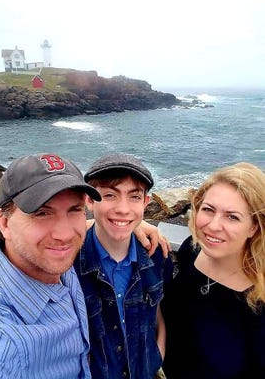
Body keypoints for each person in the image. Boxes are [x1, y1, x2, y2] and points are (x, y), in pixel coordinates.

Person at [0, 153, 102, 379]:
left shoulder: (36, 254)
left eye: (74, 210)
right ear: (4, 222)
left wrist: (126, 227)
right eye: (42, 213)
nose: (65, 234)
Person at [161, 162, 265, 379]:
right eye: (208, 210)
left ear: (254, 226)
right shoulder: (192, 249)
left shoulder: (259, 299)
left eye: (232, 216)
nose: (213, 226)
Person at [74, 153, 173, 379]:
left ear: (146, 203)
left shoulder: (156, 253)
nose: (123, 208)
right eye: (109, 195)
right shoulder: (69, 261)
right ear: (88, 200)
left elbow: (157, 311)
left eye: (134, 197)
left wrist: (158, 354)